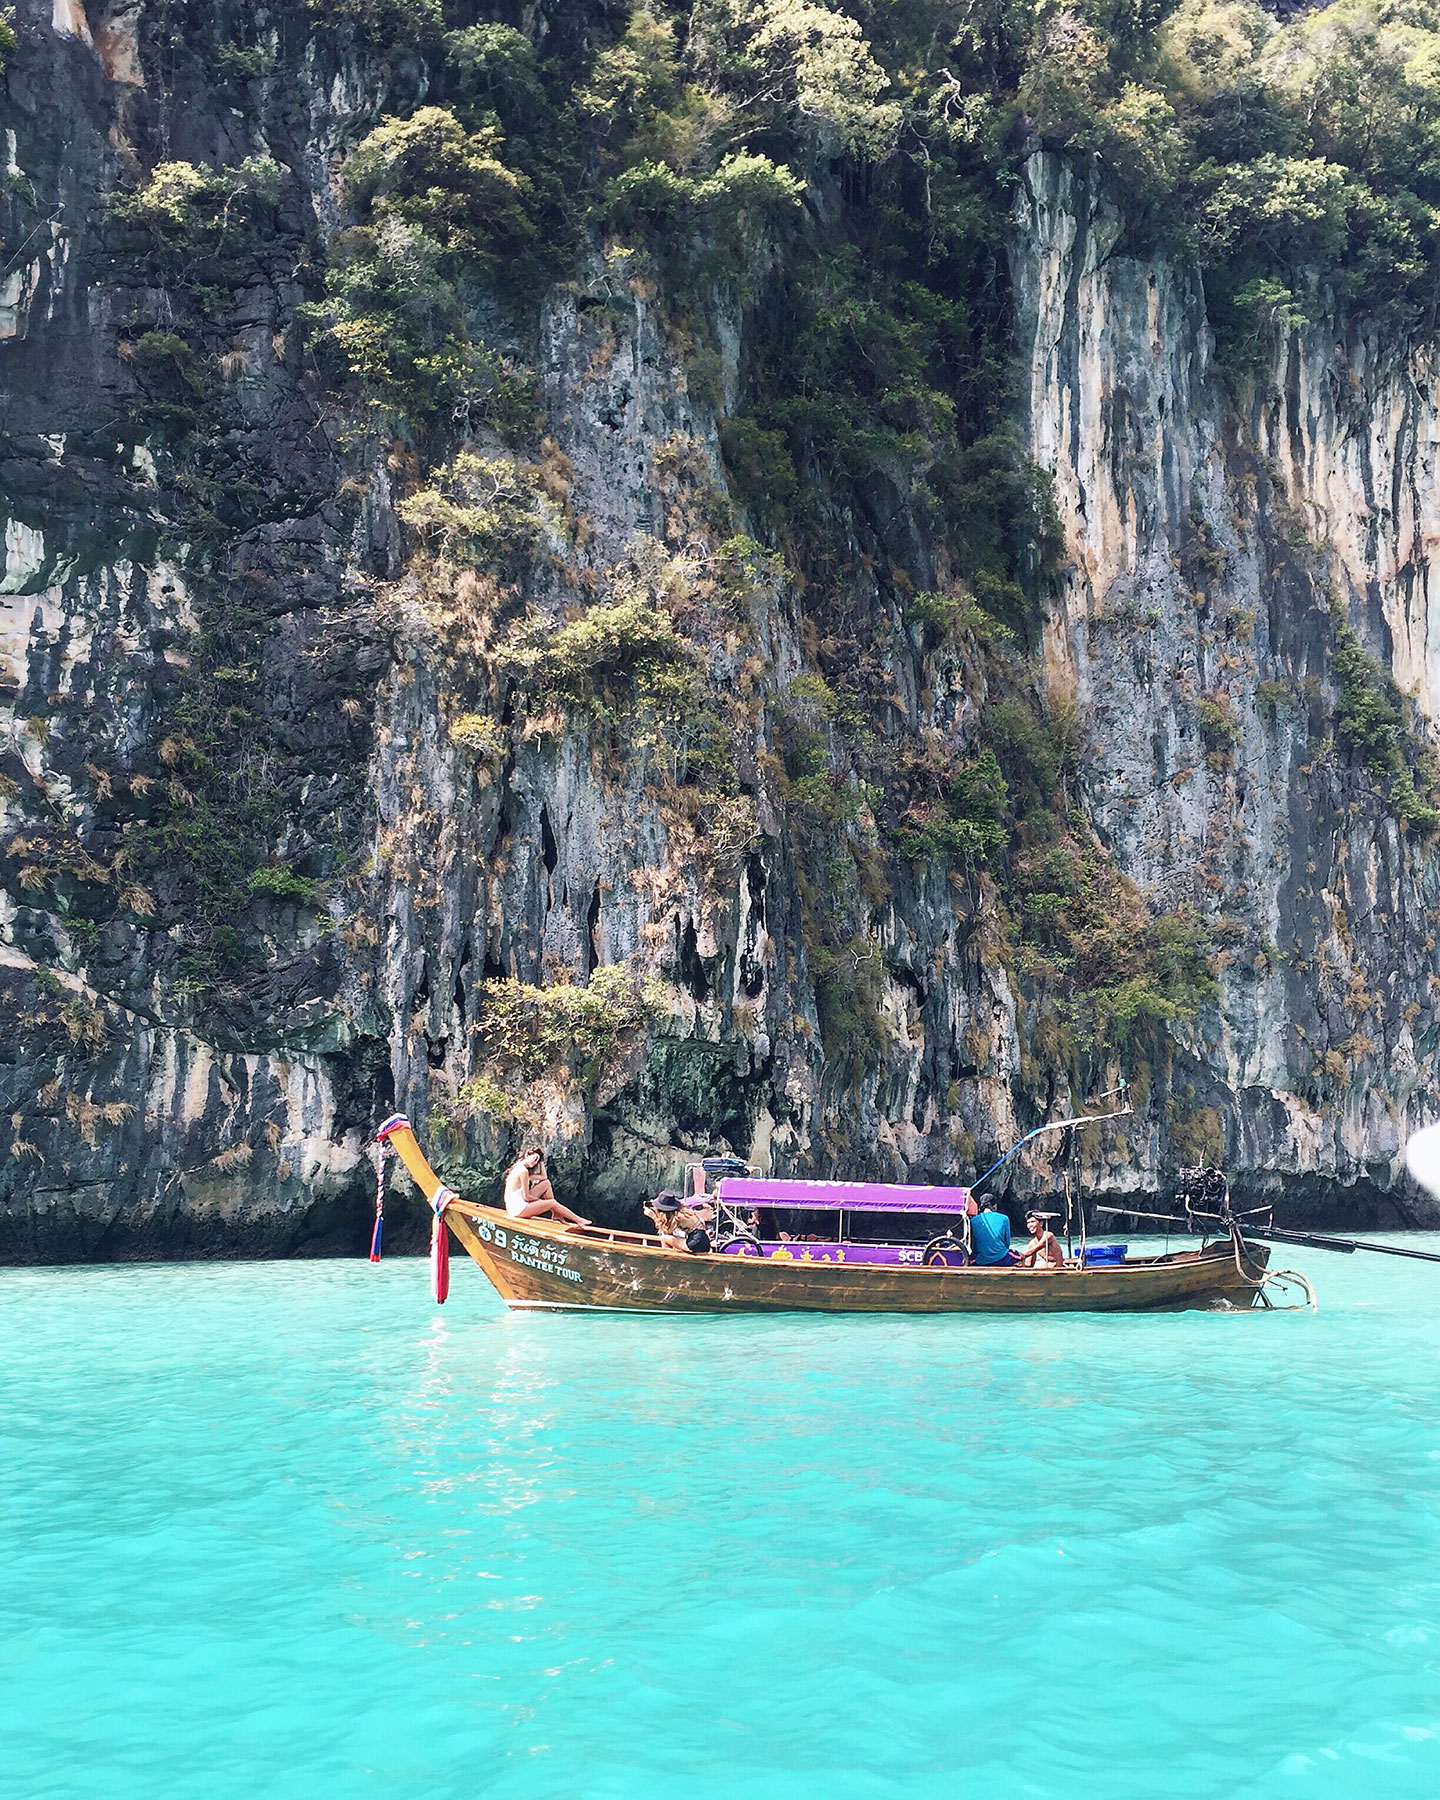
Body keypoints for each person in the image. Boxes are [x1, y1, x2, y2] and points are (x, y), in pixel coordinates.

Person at [503, 1147, 590, 1226]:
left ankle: (557, 1214)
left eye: (537, 1161)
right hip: (517, 1209)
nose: (534, 1163)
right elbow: (527, 1197)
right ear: (527, 1155)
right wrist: (543, 1203)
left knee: (546, 1183)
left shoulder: (520, 1167)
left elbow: (544, 1178)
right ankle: (578, 1220)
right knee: (552, 1203)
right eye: (534, 1159)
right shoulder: (523, 1171)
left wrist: (540, 1159)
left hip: (517, 1202)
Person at [644, 1192, 711, 1252]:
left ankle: (667, 1260)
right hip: (703, 1240)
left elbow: (667, 1231)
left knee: (664, 1238)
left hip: (695, 1243)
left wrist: (653, 1217)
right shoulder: (683, 1211)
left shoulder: (677, 1217)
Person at [969, 1197, 1015, 1266]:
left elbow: (973, 1246)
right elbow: (1007, 1243)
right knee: (1021, 1257)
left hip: (981, 1260)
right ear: (994, 1206)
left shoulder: (972, 1221)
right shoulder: (1004, 1218)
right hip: (1001, 1258)